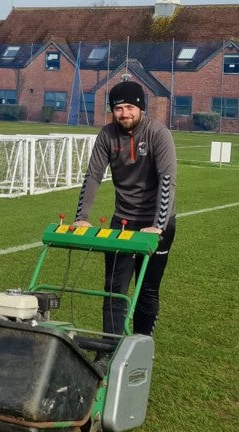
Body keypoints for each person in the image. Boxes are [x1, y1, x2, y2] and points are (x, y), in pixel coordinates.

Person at [73, 80, 176, 337]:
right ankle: (110, 347)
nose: (124, 113)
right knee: (114, 290)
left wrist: (158, 225)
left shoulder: (158, 133)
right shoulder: (107, 135)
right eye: (118, 108)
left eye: (130, 107)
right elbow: (93, 175)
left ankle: (141, 346)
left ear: (140, 107)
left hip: (158, 223)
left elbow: (167, 179)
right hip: (122, 222)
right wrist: (82, 217)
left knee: (147, 290)